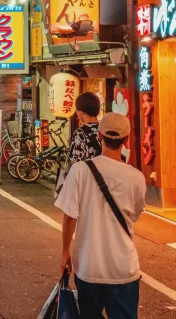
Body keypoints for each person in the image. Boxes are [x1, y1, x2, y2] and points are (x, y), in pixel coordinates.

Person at [55, 113, 146, 319]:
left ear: (100, 136)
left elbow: (70, 217)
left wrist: (64, 252)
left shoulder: (80, 171)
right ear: (126, 139)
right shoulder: (136, 177)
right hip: (124, 269)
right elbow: (135, 215)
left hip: (88, 267)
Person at [68, 91, 103, 166]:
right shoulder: (105, 128)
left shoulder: (80, 133)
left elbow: (75, 162)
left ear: (82, 112)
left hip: (88, 175)